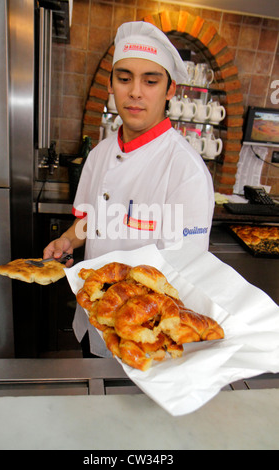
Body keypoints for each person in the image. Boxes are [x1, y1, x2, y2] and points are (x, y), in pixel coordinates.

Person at [44, 21, 215, 357]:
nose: (135, 91)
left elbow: (184, 273)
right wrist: (67, 240)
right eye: (124, 78)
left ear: (169, 91)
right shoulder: (99, 155)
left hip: (142, 340)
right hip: (92, 319)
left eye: (150, 81)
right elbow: (92, 221)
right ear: (112, 85)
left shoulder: (186, 171)